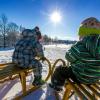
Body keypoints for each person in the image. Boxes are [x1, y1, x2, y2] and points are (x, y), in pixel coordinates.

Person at [50, 17, 100, 91]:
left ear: (82, 32)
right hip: (95, 78)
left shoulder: (80, 45)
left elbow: (68, 57)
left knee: (60, 69)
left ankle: (56, 85)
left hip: (81, 77)